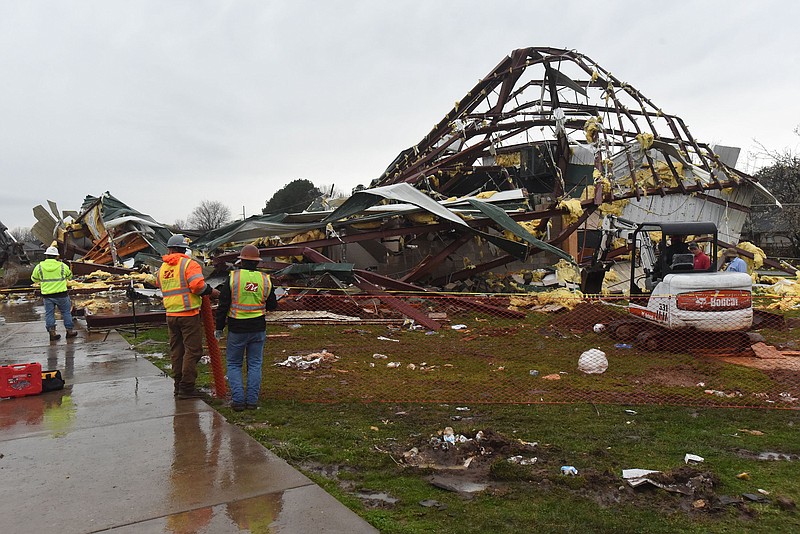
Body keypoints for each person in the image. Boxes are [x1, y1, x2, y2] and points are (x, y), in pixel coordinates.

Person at [155, 234, 219, 399]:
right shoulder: (189, 264)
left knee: (177, 350)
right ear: (184, 249)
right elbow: (197, 286)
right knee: (194, 351)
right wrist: (212, 292)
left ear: (170, 249)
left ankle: (178, 385)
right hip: (188, 314)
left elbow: (159, 285)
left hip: (171, 315)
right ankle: (187, 387)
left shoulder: (163, 268)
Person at [214, 244, 277, 411]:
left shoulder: (233, 278)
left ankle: (238, 401)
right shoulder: (265, 279)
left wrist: (219, 327)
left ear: (241, 260)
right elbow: (272, 305)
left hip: (237, 328)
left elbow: (223, 305)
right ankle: (252, 401)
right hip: (258, 328)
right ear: (257, 262)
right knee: (255, 364)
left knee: (234, 364)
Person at [31, 246, 77, 341]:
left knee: (49, 314)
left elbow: (34, 279)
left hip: (47, 295)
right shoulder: (62, 266)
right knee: (66, 313)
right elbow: (69, 276)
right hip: (61, 294)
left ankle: (52, 333)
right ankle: (69, 331)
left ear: (46, 256)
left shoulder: (39, 267)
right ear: (56, 256)